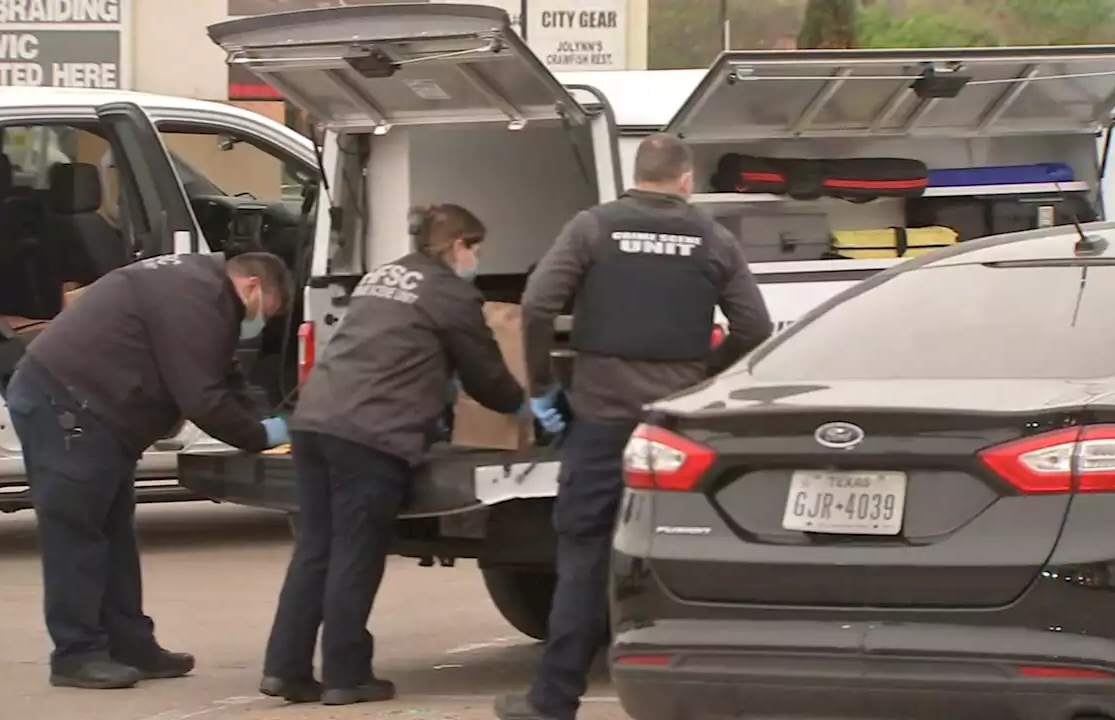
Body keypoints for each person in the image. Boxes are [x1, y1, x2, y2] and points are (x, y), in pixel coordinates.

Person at [495, 134, 774, 720]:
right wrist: (706, 380)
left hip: (599, 420)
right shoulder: (712, 238)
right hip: (675, 430)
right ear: (685, 179)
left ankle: (553, 701)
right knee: (690, 552)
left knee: (583, 554)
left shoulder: (592, 228)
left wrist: (545, 387)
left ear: (635, 174)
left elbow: (540, 304)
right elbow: (755, 326)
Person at [260, 203, 527, 706]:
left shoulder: (384, 276)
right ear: (458, 246)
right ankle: (346, 675)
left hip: (316, 421)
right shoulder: (451, 293)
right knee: (356, 553)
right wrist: (525, 406)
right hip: (370, 433)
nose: (477, 260)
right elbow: (485, 377)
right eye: (477, 249)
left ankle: (286, 667)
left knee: (316, 547)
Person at [6, 251, 295, 690]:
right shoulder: (197, 298)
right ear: (253, 286)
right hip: (65, 406)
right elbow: (202, 398)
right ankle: (76, 653)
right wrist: (260, 436)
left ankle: (130, 644)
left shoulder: (202, 286)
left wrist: (263, 416)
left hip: (92, 413)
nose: (258, 322)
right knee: (77, 534)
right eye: (265, 313)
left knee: (114, 535)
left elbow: (221, 373)